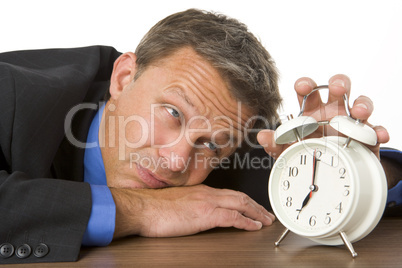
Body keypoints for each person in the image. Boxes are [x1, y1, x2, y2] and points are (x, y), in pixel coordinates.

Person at [0, 9, 400, 264]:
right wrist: (144, 210)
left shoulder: (234, 148)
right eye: (173, 113)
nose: (177, 161)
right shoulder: (11, 95)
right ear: (123, 78)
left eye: (212, 145)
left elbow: (343, 185)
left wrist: (353, 161)